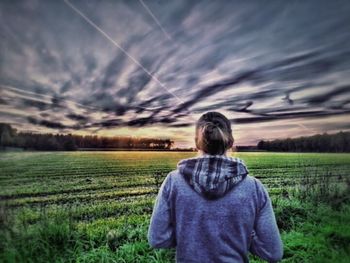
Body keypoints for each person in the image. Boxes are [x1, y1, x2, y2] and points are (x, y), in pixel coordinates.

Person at [148, 111, 283, 263]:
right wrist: (246, 235)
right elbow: (273, 252)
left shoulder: (174, 182)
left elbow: (157, 239)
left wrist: (186, 234)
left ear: (196, 142)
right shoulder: (254, 188)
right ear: (231, 142)